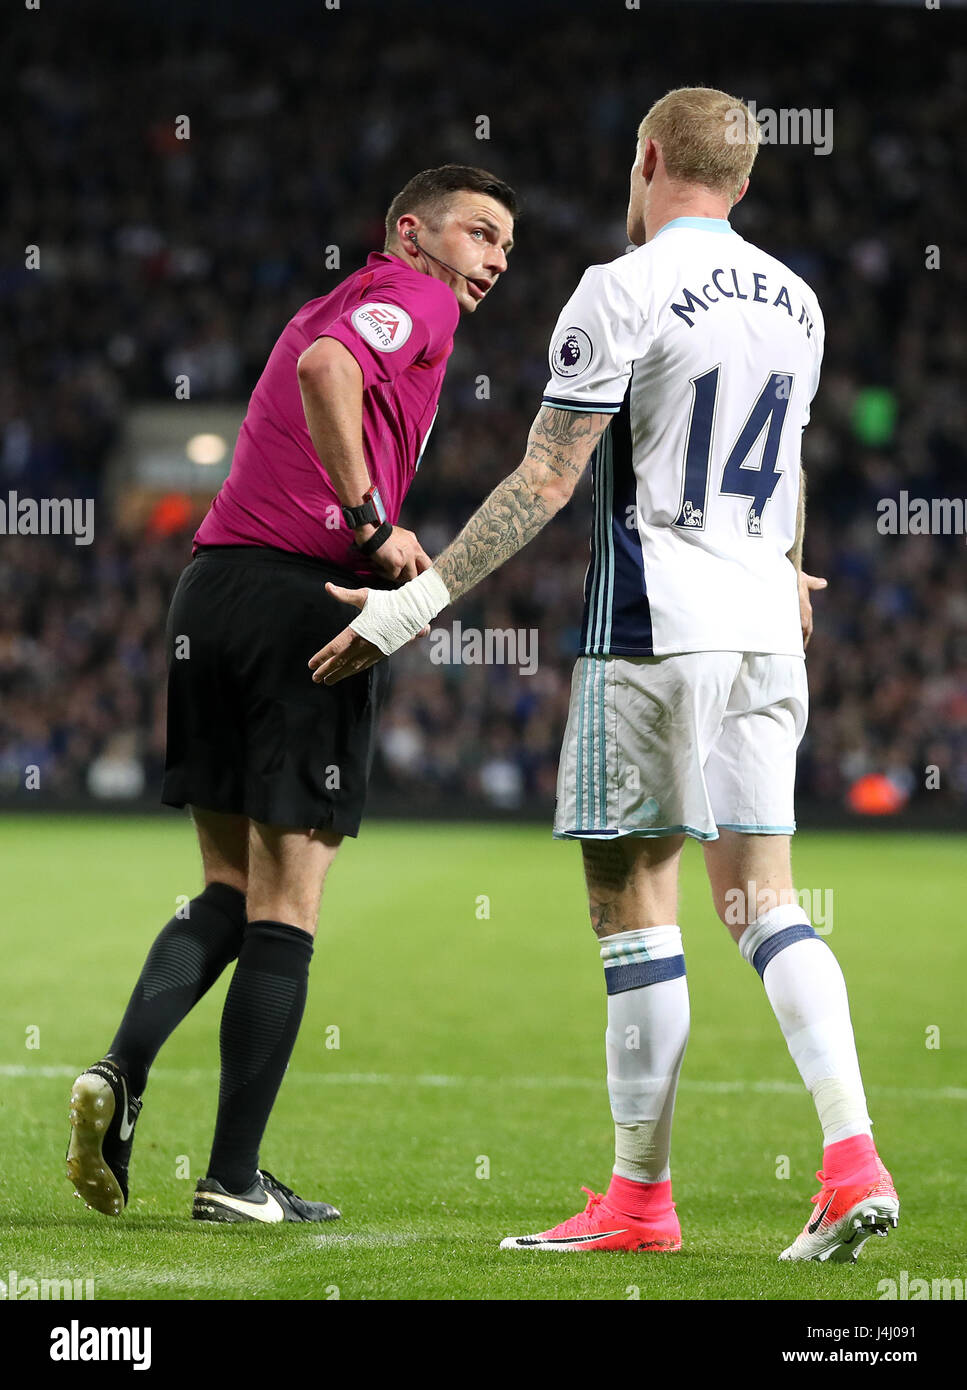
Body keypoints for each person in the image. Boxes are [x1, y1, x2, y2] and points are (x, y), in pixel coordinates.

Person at [311, 89, 899, 1263]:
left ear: (645, 162)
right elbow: (779, 475)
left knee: (634, 908)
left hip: (651, 630)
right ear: (743, 180)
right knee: (765, 904)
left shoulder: (619, 290)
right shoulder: (797, 300)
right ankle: (851, 1159)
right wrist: (786, 570)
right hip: (767, 637)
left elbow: (542, 480)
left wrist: (412, 604)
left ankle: (639, 1202)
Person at [66, 164, 517, 1224]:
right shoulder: (414, 301)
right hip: (303, 601)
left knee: (226, 884)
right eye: (479, 234)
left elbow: (316, 353)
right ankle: (232, 1179)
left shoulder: (336, 296)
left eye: (506, 247)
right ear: (413, 232)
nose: (494, 260)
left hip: (208, 591)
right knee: (288, 904)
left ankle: (120, 1071)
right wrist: (368, 522)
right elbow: (327, 370)